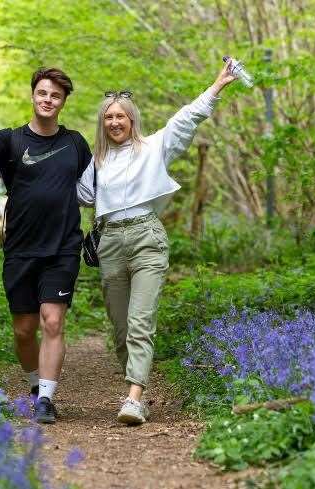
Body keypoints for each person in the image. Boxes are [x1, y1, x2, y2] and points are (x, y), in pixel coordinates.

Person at [77, 59, 237, 425]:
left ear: (132, 119)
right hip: (110, 243)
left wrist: (217, 85)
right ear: (102, 123)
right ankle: (135, 390)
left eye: (121, 116)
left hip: (147, 236)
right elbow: (74, 194)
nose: (115, 122)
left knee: (140, 321)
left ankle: (134, 397)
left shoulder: (153, 147)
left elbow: (186, 119)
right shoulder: (96, 161)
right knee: (120, 329)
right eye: (108, 118)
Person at [0, 67, 92, 424]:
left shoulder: (75, 144)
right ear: (33, 96)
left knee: (52, 321)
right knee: (24, 330)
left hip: (62, 247)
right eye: (43, 93)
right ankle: (33, 385)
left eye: (55, 96)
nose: (48, 100)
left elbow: (98, 188)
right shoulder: (11, 140)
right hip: (21, 249)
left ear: (63, 102)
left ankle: (45, 398)